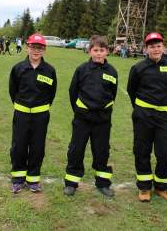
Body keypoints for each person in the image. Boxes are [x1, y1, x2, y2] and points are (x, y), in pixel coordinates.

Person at [63, 35, 118, 198]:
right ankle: (71, 183)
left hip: (102, 121)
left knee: (102, 151)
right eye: (95, 50)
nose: (98, 53)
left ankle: (103, 183)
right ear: (89, 51)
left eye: (102, 50)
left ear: (107, 52)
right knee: (76, 149)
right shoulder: (81, 69)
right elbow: (73, 92)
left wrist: (104, 111)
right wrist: (80, 111)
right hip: (82, 119)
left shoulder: (112, 72)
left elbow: (113, 94)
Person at [127, 32, 167, 203]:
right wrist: (142, 108)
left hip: (163, 115)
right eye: (152, 46)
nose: (155, 49)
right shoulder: (138, 68)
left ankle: (161, 187)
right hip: (143, 114)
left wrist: (162, 106)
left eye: (158, 46)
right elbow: (131, 90)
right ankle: (144, 187)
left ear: (163, 47)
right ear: (146, 48)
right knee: (142, 150)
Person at [8, 34, 57, 194]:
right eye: (33, 47)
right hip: (21, 114)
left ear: (44, 50)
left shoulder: (50, 70)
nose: (36, 50)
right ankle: (18, 179)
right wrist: (22, 105)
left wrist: (41, 108)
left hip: (41, 116)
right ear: (27, 47)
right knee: (19, 146)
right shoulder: (18, 69)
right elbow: (12, 91)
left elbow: (52, 93)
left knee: (37, 147)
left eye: (40, 48)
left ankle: (33, 179)